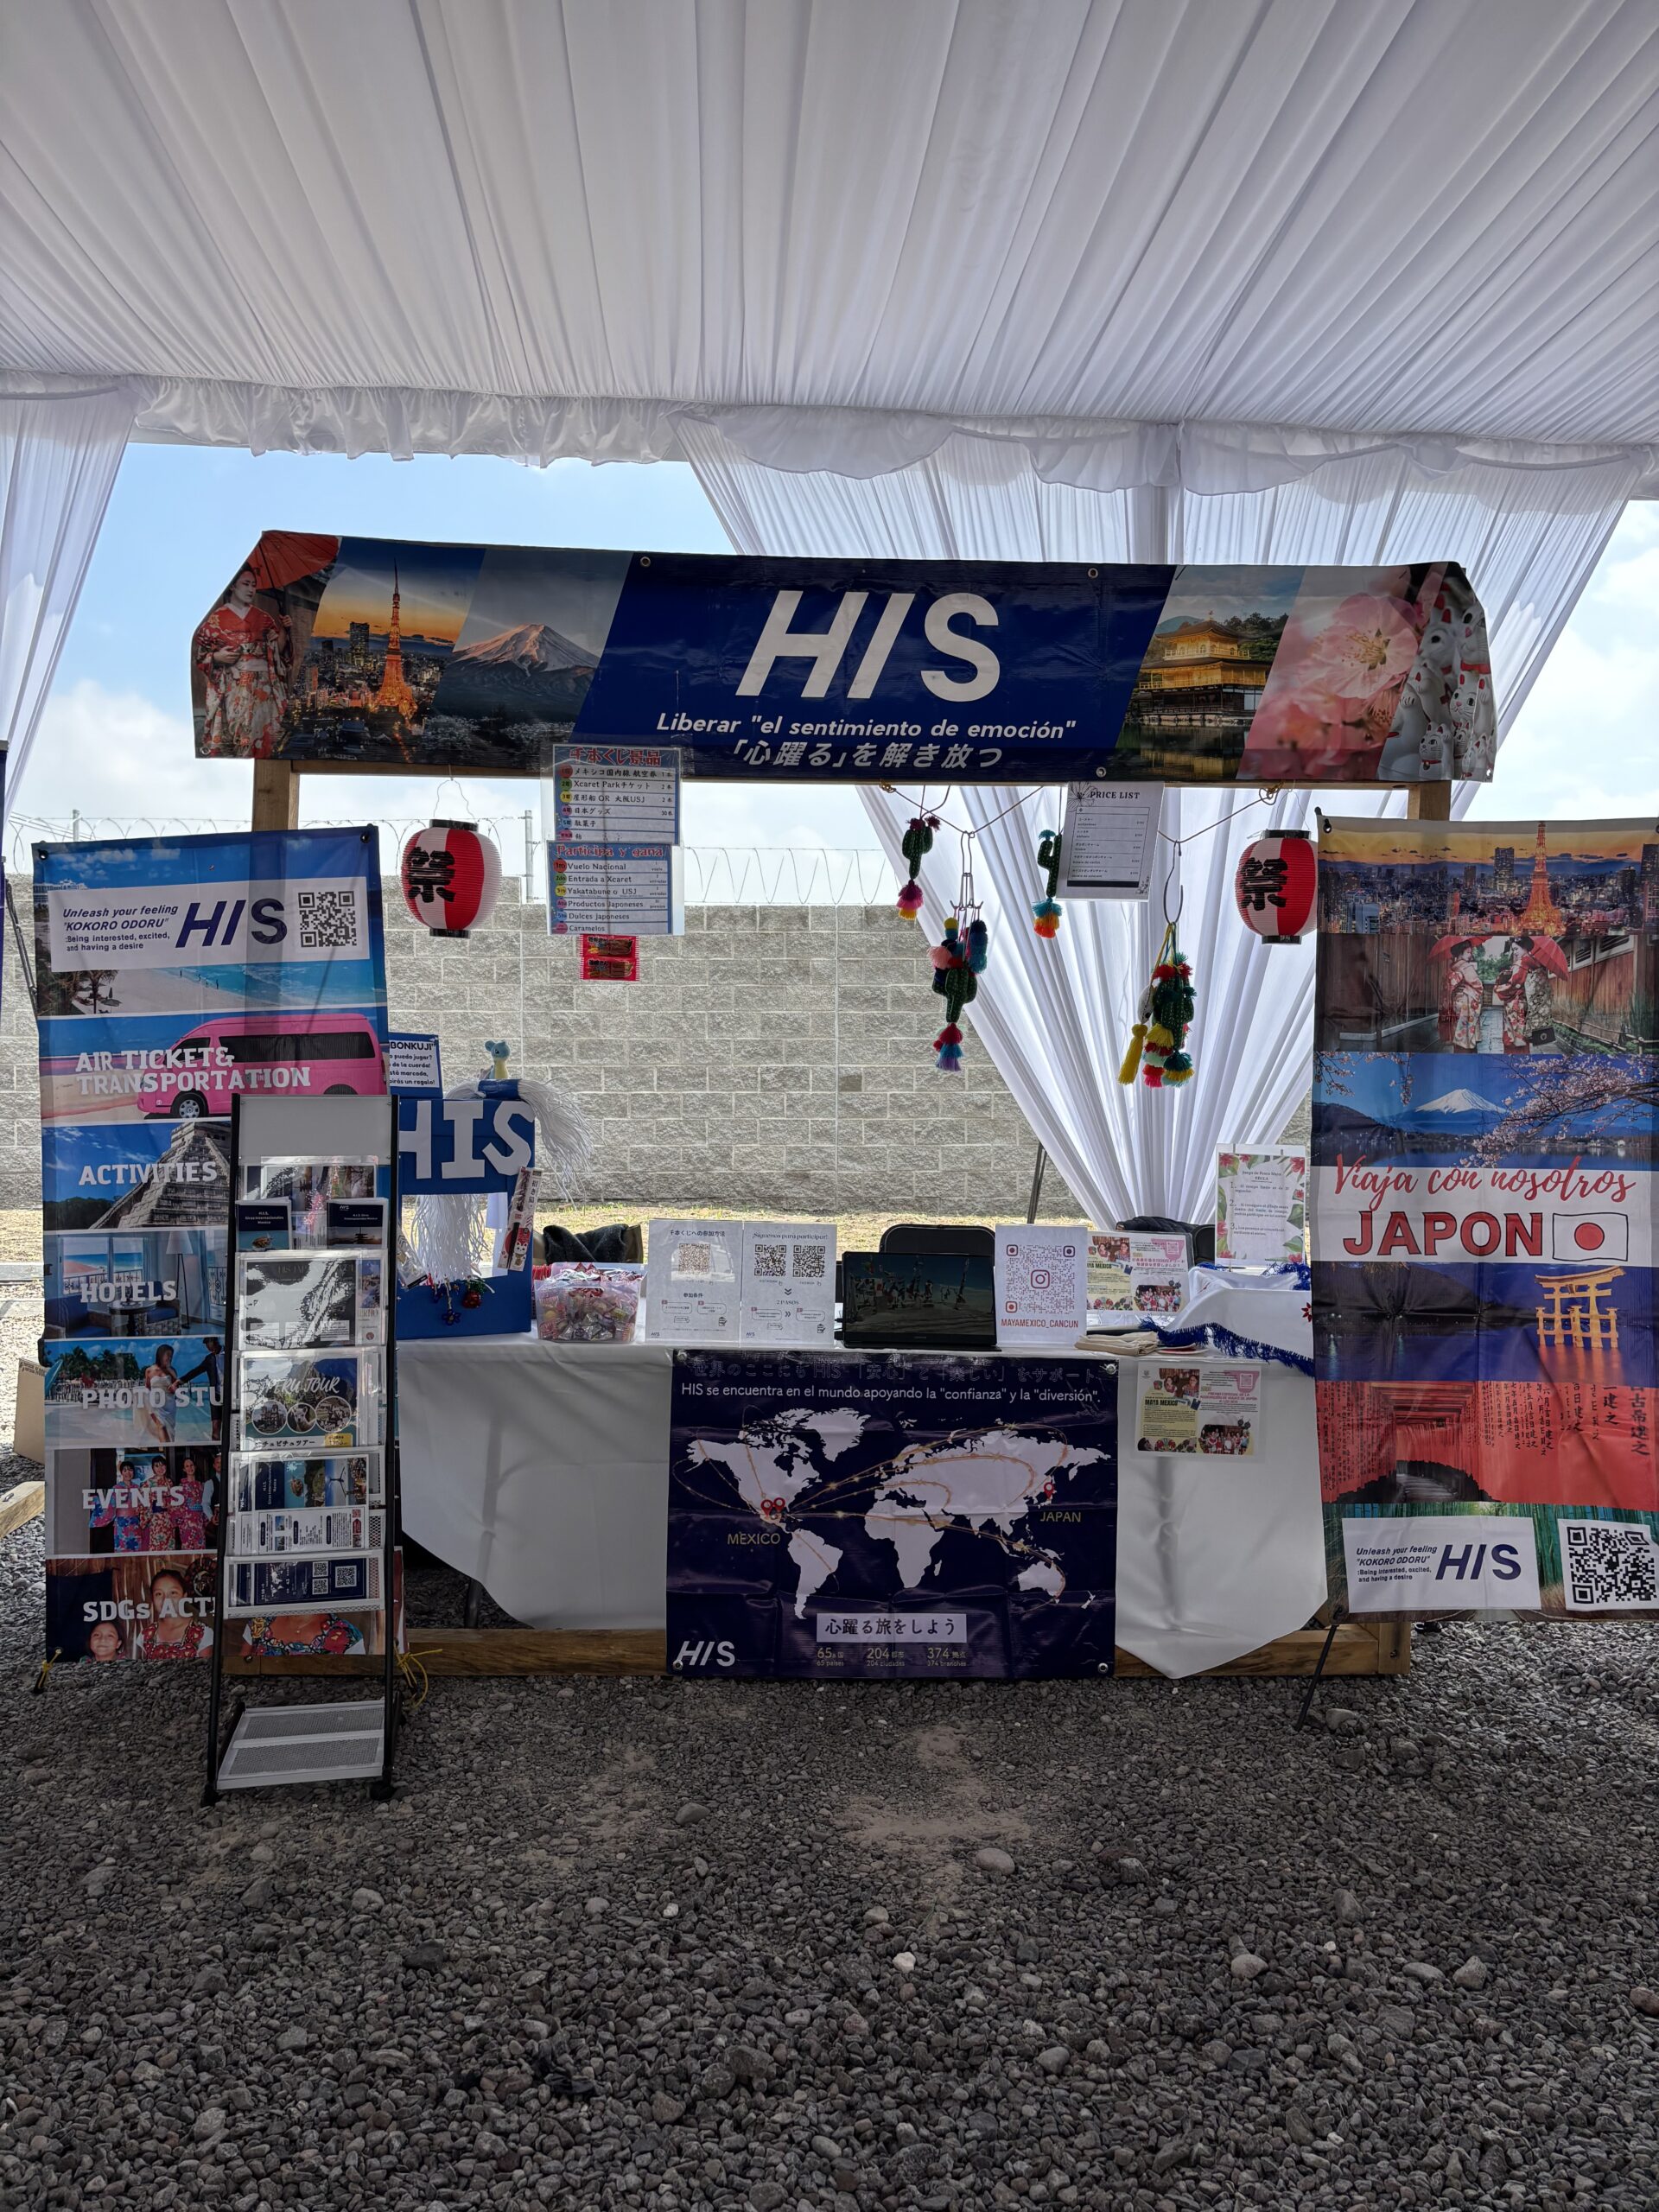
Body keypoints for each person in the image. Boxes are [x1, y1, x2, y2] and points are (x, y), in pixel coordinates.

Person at [193, 565, 289, 757]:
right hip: (235, 684)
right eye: (246, 584)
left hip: (264, 683)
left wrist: (284, 630)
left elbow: (278, 651)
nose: (251, 589)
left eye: (253, 585)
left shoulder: (263, 617)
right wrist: (217, 657)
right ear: (232, 586)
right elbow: (201, 655)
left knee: (266, 730)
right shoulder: (217, 619)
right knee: (239, 728)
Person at [137, 1567, 213, 1660]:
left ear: (184, 1596)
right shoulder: (145, 1635)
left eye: (173, 1593)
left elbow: (205, 1667)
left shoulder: (203, 1633)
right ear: (152, 1599)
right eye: (159, 1594)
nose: (166, 1599)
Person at [137, 1344, 178, 1447]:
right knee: (161, 1425)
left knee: (170, 1429)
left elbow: (176, 1388)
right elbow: (147, 1387)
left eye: (171, 1356)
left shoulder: (172, 1370)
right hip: (155, 1403)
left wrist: (169, 1371)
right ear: (161, 1355)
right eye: (168, 1355)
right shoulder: (149, 1370)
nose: (169, 1358)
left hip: (169, 1404)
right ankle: (164, 1448)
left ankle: (170, 1447)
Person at [1446, 940, 1483, 1054]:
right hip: (1466, 1003)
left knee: (1459, 1031)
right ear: (1460, 952)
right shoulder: (1466, 966)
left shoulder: (1453, 967)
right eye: (1468, 952)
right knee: (1467, 1036)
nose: (1470, 955)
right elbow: (1478, 985)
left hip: (1456, 1002)